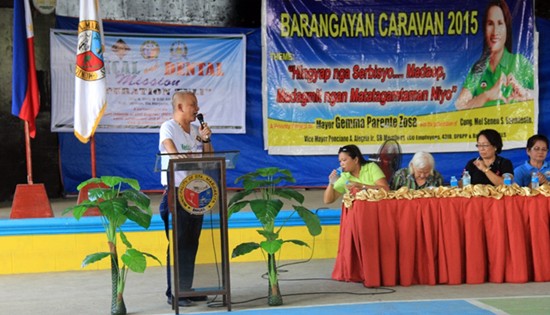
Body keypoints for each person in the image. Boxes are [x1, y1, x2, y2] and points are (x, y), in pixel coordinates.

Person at [158, 91, 213, 307]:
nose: (197, 109)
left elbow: (209, 158)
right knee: (179, 243)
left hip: (195, 194)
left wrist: (206, 139)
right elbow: (171, 151)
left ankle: (187, 289)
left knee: (191, 243)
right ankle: (174, 292)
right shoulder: (168, 127)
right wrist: (181, 156)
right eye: (193, 105)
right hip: (175, 192)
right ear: (180, 107)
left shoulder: (193, 132)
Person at [455, 0, 534, 110]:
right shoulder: (478, 68)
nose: (495, 31)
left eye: (500, 23)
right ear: (484, 28)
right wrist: (487, 95)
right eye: (490, 24)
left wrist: (525, 94)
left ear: (507, 29)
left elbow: (542, 94)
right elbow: (459, 105)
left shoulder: (520, 62)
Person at [323, 144, 389, 204]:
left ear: (356, 160)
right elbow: (327, 201)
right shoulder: (344, 176)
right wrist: (331, 183)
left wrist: (361, 186)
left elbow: (386, 189)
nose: (341, 164)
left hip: (377, 206)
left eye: (344, 160)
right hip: (358, 212)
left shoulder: (371, 167)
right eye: (340, 161)